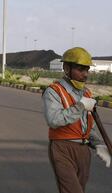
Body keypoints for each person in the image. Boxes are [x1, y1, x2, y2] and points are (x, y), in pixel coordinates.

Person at [42, 47, 111, 193]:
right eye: (80, 69)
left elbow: (87, 126)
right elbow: (54, 120)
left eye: (87, 70)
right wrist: (80, 106)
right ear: (67, 68)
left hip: (84, 151)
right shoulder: (54, 91)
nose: (85, 74)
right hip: (62, 148)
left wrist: (98, 145)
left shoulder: (87, 93)